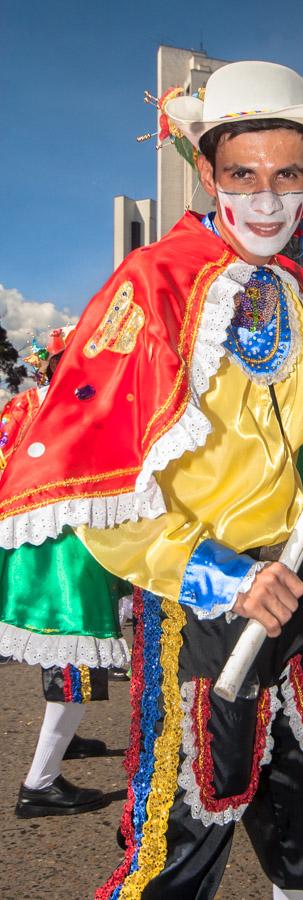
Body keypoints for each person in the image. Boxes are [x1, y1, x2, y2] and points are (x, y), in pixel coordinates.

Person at [0, 61, 303, 900]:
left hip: (299, 591)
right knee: (182, 840)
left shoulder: (299, 292)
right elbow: (100, 490)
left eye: (288, 175)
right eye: (244, 175)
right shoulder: (151, 287)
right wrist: (224, 576)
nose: (269, 198)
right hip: (200, 609)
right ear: (208, 174)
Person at [0, 339, 127, 817]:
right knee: (76, 652)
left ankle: (64, 740)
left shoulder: (23, 405)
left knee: (58, 649)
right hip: (65, 554)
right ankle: (41, 782)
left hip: (30, 547)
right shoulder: (79, 404)